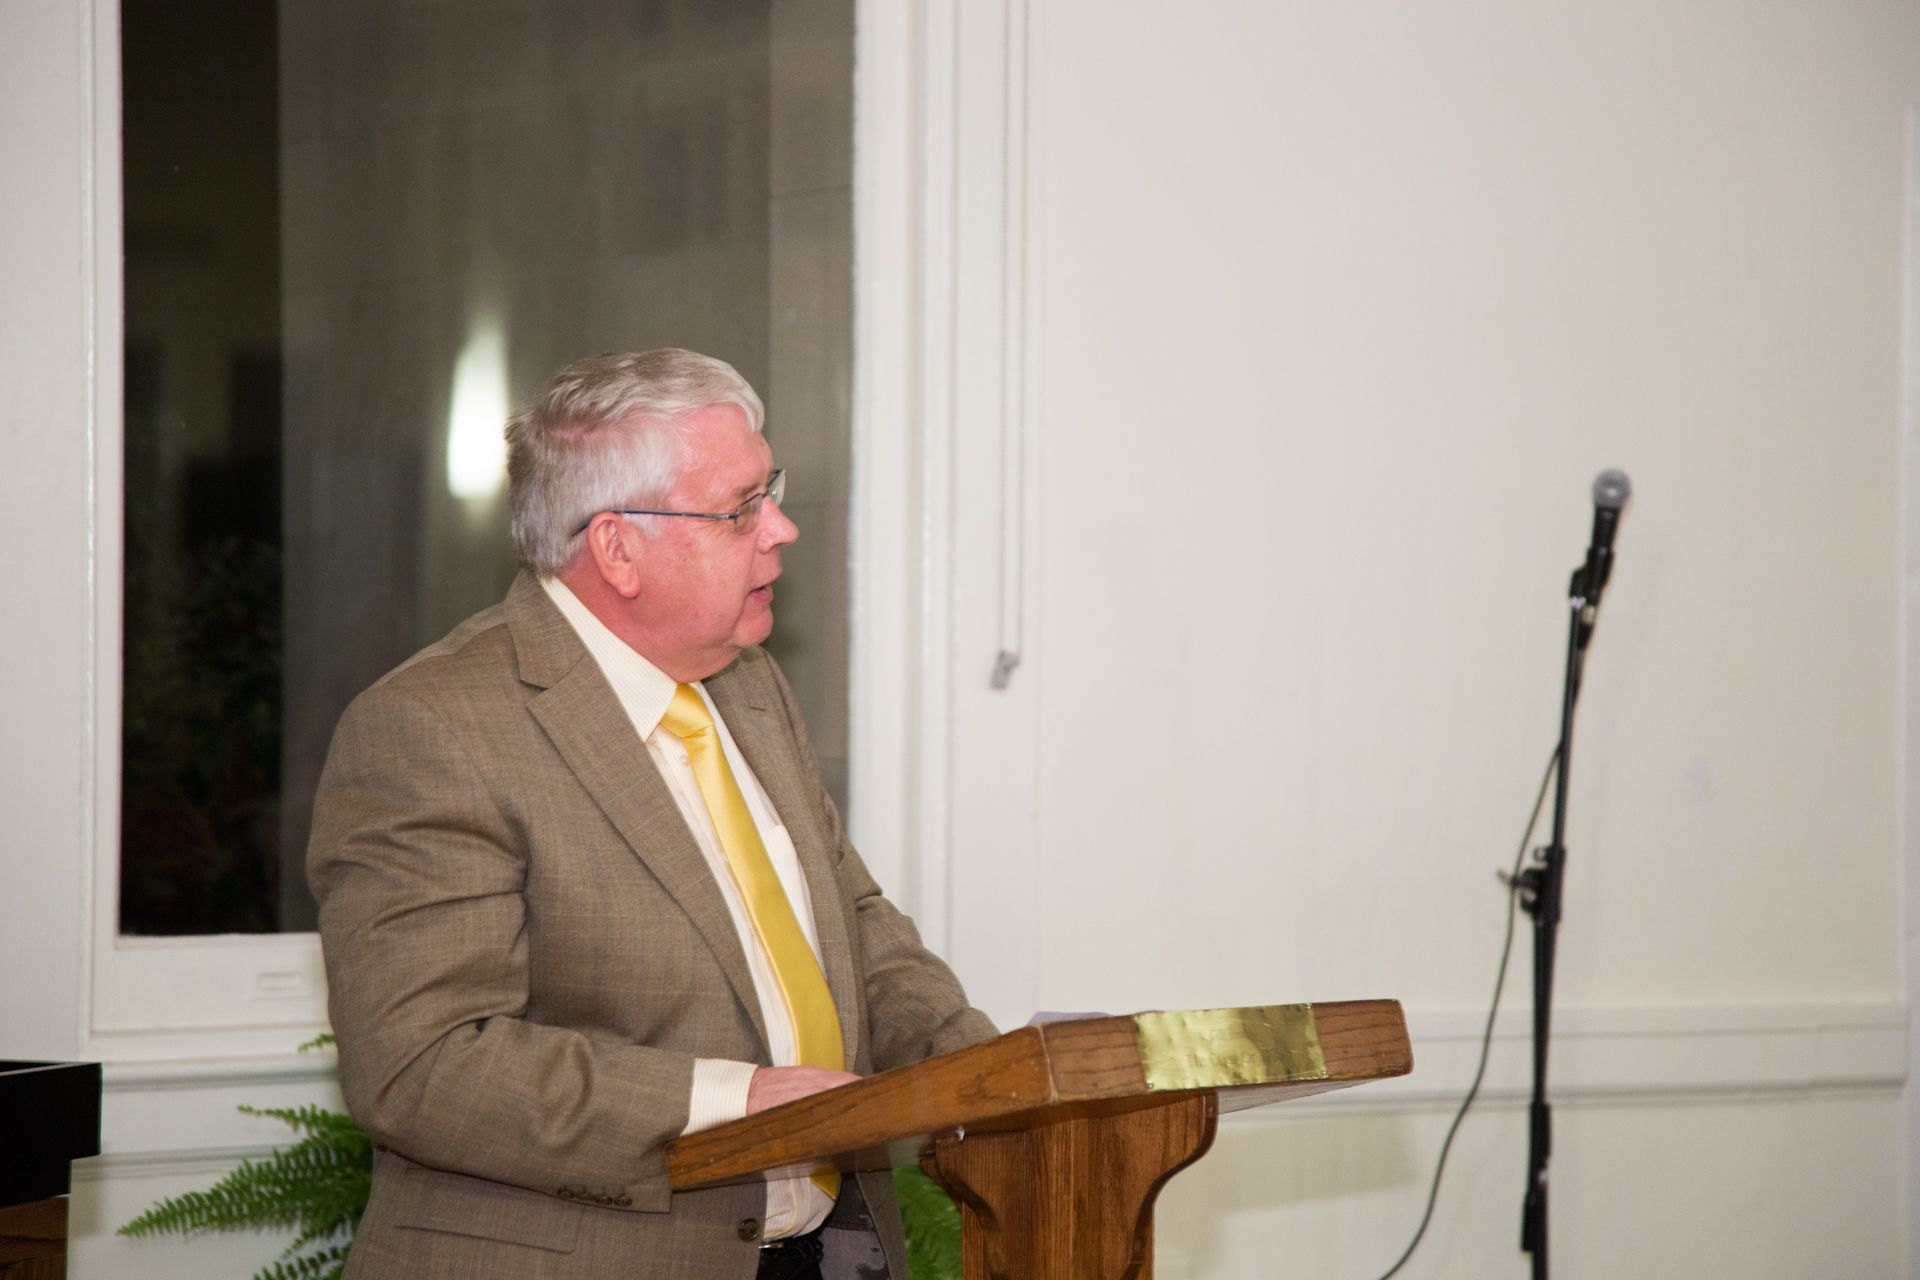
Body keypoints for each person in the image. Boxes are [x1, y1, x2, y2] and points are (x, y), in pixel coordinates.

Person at [308, 349, 996, 1279]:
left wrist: (992, 1077)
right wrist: (734, 1100)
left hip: (823, 1251)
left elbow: (855, 927)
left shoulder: (748, 687)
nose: (781, 529)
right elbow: (424, 1064)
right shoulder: (434, 728)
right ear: (617, 548)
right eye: (740, 508)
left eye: (772, 492)